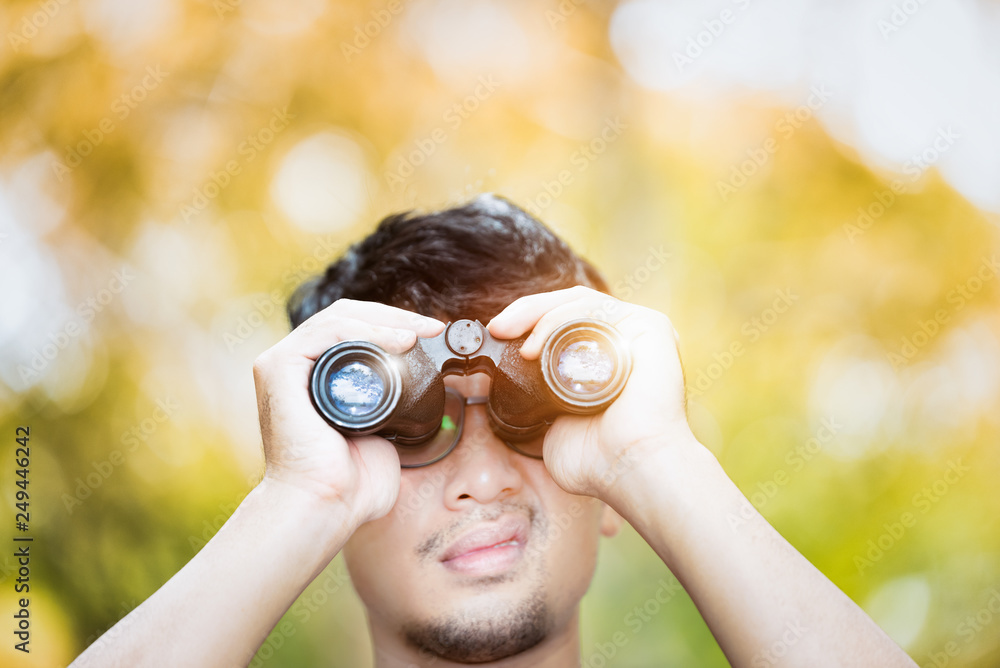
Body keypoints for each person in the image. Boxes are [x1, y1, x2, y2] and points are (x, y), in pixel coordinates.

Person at [70, 194, 916, 667]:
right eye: (408, 429)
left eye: (530, 419)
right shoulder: (314, 498)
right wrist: (297, 498)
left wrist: (658, 458)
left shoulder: (639, 467)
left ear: (613, 497)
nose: (484, 476)